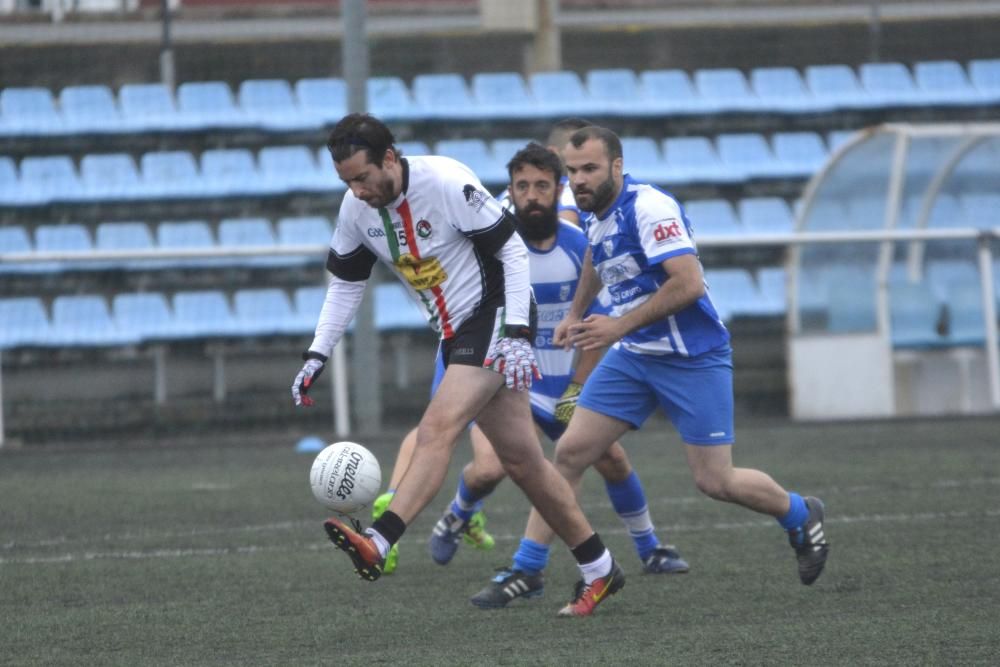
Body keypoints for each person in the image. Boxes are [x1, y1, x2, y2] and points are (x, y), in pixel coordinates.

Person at [291, 113, 624, 617]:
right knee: (523, 463)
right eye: (347, 182)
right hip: (455, 333)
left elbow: (512, 250)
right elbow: (345, 284)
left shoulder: (445, 181)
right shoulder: (355, 210)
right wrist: (317, 352)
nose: (357, 191)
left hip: (494, 316)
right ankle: (599, 567)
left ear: (388, 159)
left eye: (362, 178)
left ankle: (379, 542)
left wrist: (515, 330)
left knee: (437, 427)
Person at [514, 124, 830, 590]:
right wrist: (576, 312)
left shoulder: (649, 207)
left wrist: (616, 326)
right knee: (571, 453)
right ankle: (527, 567)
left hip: (691, 357)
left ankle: (801, 513)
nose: (578, 179)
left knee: (715, 480)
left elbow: (688, 284)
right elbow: (596, 260)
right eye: (573, 170)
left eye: (590, 169)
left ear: (617, 167)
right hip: (636, 356)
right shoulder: (594, 213)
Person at [371, 144, 689, 605]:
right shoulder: (492, 249)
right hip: (503, 372)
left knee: (610, 459)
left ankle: (648, 548)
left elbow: (593, 326)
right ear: (509, 194)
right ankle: (460, 517)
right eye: (522, 187)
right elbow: (461, 314)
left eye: (542, 186)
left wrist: (577, 388)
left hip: (558, 383)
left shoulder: (580, 246)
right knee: (487, 465)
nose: (532, 196)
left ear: (558, 190)